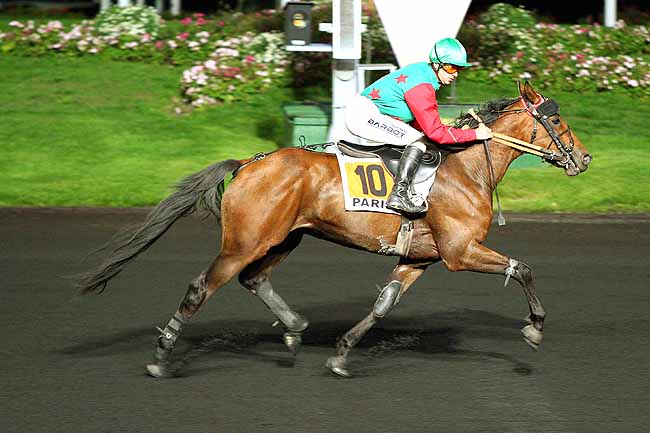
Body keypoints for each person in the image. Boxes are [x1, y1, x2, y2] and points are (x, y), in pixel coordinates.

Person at [345, 37, 493, 215]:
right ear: (437, 64)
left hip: (368, 112)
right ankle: (399, 195)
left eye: (459, 68)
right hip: (363, 115)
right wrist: (475, 135)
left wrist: (457, 133)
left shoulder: (424, 75)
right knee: (417, 141)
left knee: (419, 138)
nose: (455, 74)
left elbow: (425, 125)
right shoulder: (422, 85)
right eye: (451, 67)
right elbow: (435, 132)